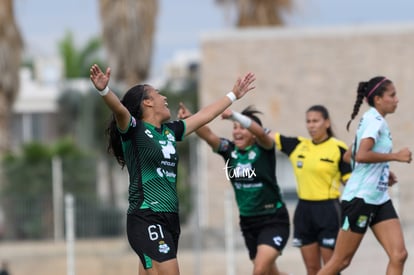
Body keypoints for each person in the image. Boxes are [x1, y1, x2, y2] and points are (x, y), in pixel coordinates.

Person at [89, 64, 256, 275]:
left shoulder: (169, 132)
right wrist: (104, 90)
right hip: (147, 215)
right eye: (158, 94)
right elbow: (119, 110)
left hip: (170, 217)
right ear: (147, 102)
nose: (164, 98)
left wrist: (233, 95)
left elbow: (205, 115)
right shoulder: (134, 130)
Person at [177, 104, 290, 275]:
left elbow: (261, 133)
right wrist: (189, 118)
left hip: (273, 219)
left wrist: (235, 116)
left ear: (252, 134)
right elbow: (208, 135)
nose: (237, 131)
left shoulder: (264, 148)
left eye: (242, 127)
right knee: (270, 272)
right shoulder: (229, 150)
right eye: (234, 127)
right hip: (248, 222)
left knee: (259, 270)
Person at [317, 76, 412, 275]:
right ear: (378, 99)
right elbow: (360, 155)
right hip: (360, 199)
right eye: (392, 95)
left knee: (399, 254)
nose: (397, 99)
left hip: (378, 198)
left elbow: (347, 155)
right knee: (340, 262)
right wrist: (395, 156)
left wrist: (381, 171)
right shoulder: (374, 121)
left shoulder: (372, 120)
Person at [269, 105, 351, 275]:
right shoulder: (298, 145)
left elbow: (349, 182)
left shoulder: (338, 147)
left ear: (326, 123)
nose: (311, 125)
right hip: (304, 211)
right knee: (312, 269)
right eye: (308, 121)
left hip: (329, 211)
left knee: (331, 269)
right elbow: (264, 134)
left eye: (315, 121)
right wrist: (237, 117)